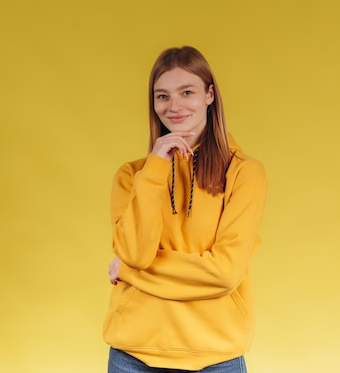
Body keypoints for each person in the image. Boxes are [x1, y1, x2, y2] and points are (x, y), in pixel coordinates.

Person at [103, 46, 268, 373]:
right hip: (132, 354)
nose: (173, 106)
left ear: (209, 95)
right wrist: (155, 168)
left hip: (215, 357)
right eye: (162, 96)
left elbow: (224, 274)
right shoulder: (132, 176)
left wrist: (129, 272)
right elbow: (135, 253)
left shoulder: (244, 173)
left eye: (186, 92)